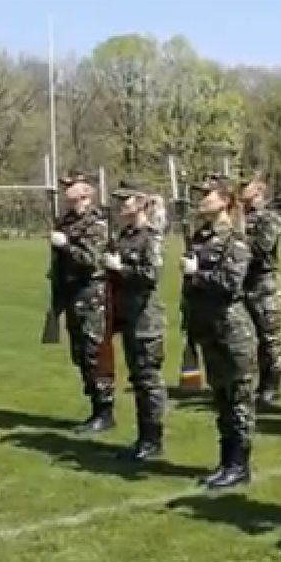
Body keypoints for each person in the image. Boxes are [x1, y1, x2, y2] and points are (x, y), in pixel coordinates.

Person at [182, 179, 256, 489]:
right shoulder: (202, 236)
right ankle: (226, 461)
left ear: (224, 200)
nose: (200, 200)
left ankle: (239, 465)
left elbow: (231, 284)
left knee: (237, 399)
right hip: (209, 327)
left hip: (231, 328)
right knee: (222, 398)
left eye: (206, 195)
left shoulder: (233, 240)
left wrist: (196, 274)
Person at [103, 186, 168, 460]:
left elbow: (150, 275)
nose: (119, 205)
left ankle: (152, 440)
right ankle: (143, 437)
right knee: (138, 377)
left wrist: (120, 268)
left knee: (148, 380)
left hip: (145, 318)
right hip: (128, 315)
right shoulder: (125, 235)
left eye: (125, 200)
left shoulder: (149, 237)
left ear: (141, 204)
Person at [48, 171, 115, 433]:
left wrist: (65, 246)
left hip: (91, 295)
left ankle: (104, 410)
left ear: (86, 193)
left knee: (94, 353)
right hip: (71, 293)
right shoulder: (66, 221)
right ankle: (95, 406)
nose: (65, 191)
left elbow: (92, 260)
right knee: (80, 354)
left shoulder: (95, 223)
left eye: (71, 187)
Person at [241, 172, 281, 407]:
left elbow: (261, 247)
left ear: (259, 190)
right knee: (246, 337)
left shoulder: (270, 218)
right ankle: (250, 383)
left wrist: (236, 239)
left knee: (269, 339)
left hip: (264, 283)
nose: (241, 189)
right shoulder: (238, 217)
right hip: (243, 282)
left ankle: (271, 386)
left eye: (245, 186)